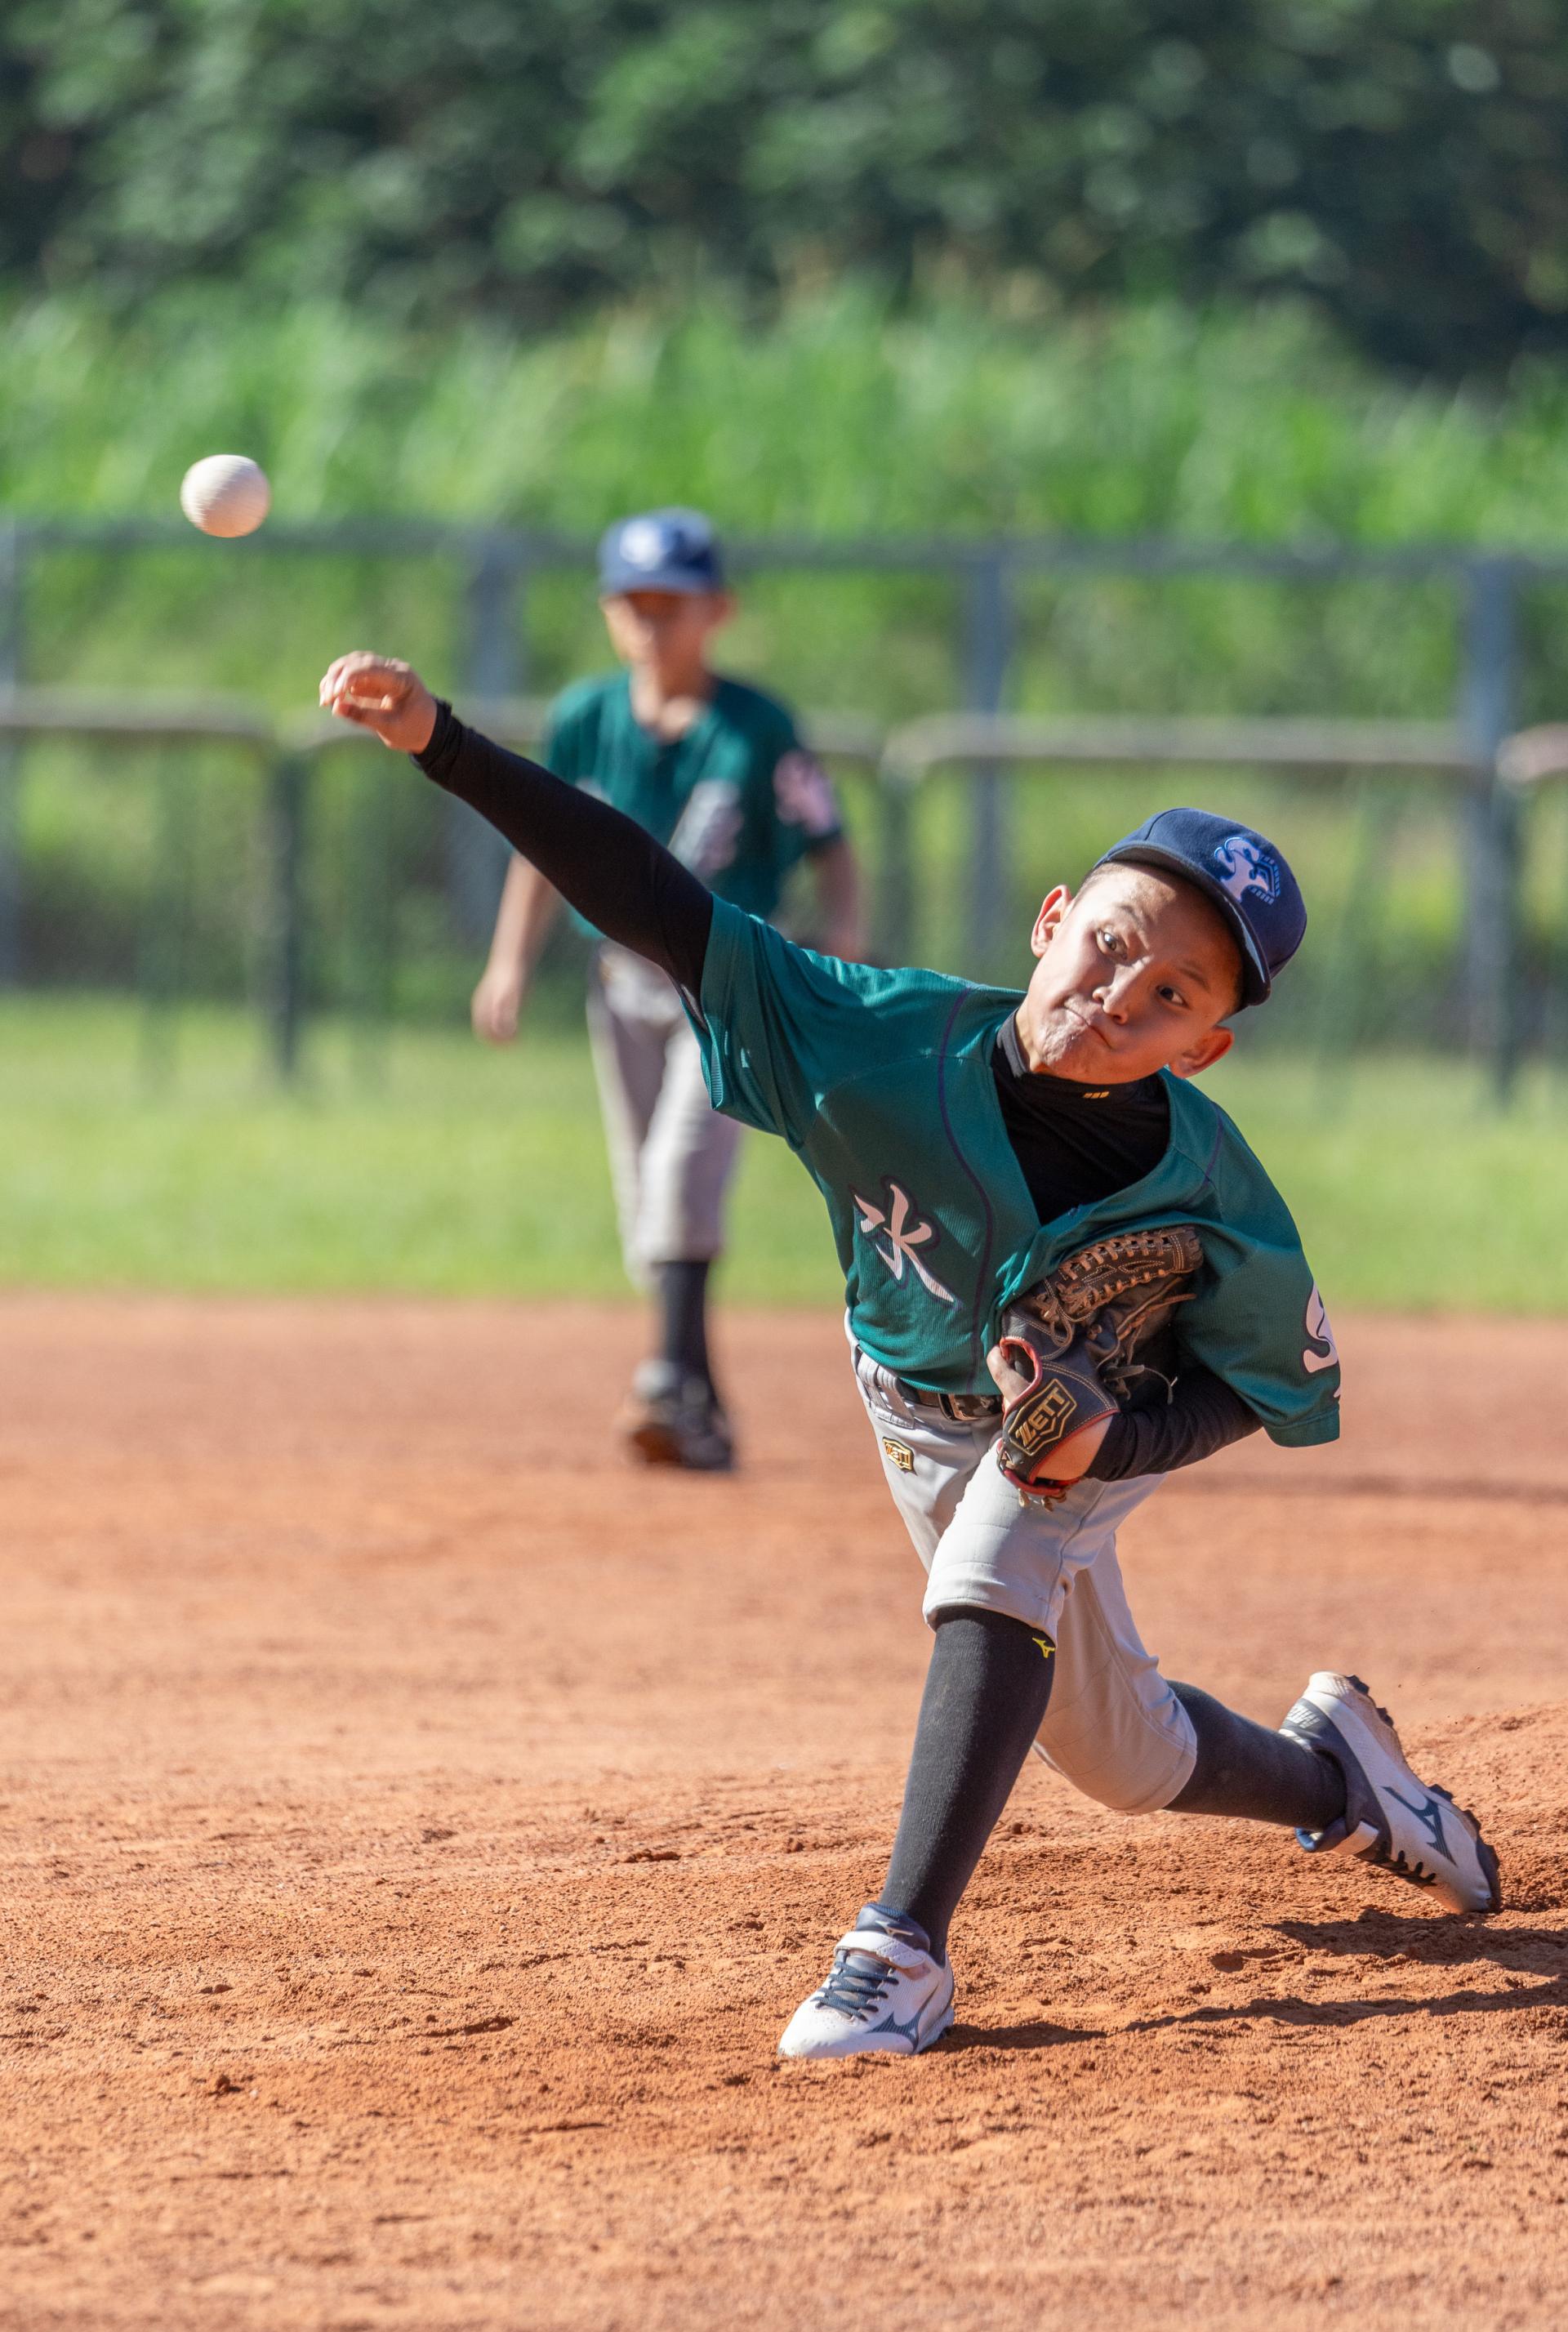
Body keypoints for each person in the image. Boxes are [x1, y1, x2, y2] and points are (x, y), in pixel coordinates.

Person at [318, 648, 1501, 2062]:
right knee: (1123, 1759)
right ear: (1053, 919)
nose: (1126, 991)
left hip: (1089, 1413)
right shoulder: (867, 1039)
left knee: (1003, 1550)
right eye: (1114, 941)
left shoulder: (1219, 1196)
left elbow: (1264, 1381)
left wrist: (1113, 1442)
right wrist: (445, 742)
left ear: (1210, 1044)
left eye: (1177, 992)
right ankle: (1346, 1777)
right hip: (910, 1405)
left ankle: (899, 1953)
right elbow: (651, 896)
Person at [470, 509, 862, 1473]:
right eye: (633, 603)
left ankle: (662, 1381)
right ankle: (699, 1406)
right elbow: (543, 850)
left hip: (726, 984)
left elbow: (830, 843)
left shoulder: (757, 728)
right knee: (646, 1199)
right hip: (620, 985)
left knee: (682, 1177)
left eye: (672, 604)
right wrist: (509, 959)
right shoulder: (585, 718)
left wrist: (843, 933)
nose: (651, 622)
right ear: (609, 611)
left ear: (715, 611)